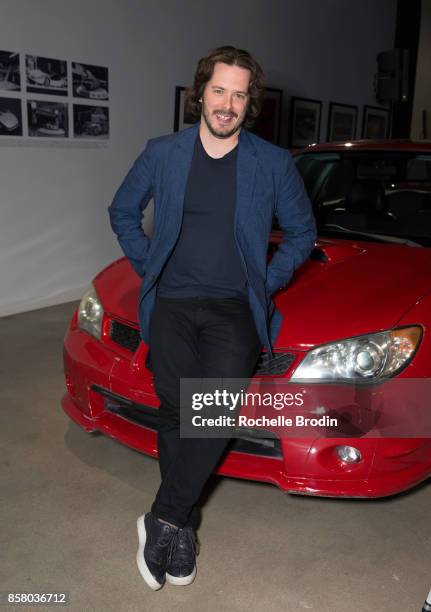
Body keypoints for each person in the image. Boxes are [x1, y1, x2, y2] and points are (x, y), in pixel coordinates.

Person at [108, 45, 316, 590]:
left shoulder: (272, 164)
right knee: (178, 411)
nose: (227, 104)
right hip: (172, 303)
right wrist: (146, 261)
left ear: (252, 104)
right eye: (219, 90)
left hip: (234, 308)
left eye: (239, 94)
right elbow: (122, 210)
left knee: (214, 414)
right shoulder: (163, 153)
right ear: (200, 93)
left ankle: (162, 518)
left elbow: (301, 233)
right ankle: (183, 534)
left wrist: (266, 282)